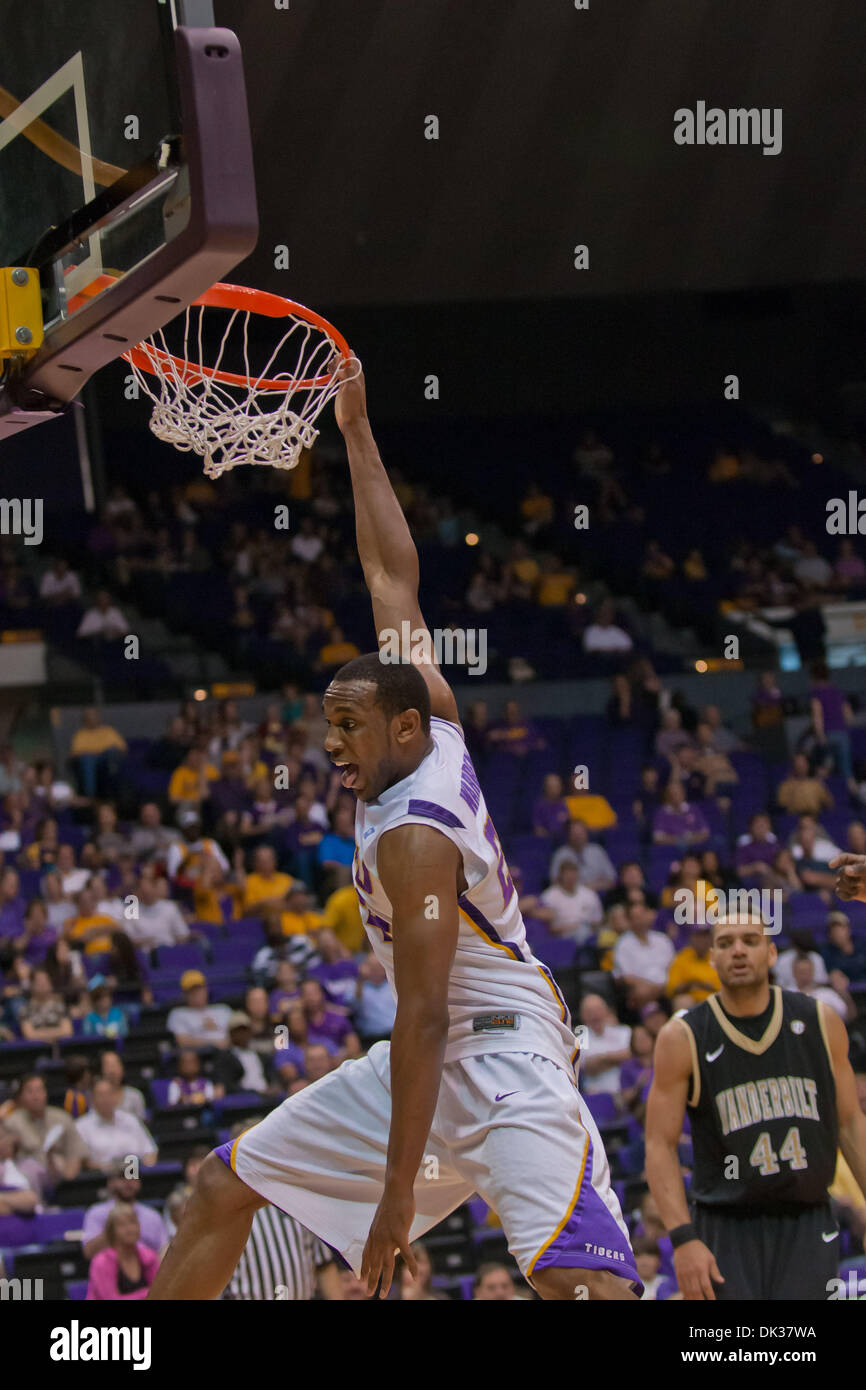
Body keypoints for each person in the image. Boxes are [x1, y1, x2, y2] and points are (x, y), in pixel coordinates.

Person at [149, 361, 641, 1303]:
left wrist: (392, 1200)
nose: (331, 743)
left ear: (403, 724)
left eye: (348, 725)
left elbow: (419, 1020)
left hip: (502, 1059)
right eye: (329, 723)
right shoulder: (434, 717)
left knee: (584, 1291)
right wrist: (358, 432)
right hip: (434, 1054)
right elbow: (390, 575)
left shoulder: (420, 833)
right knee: (222, 1185)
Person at [645, 910, 866, 1300]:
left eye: (750, 940)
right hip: (724, 1225)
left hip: (807, 1218)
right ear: (712, 958)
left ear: (771, 953)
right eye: (726, 943)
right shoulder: (683, 1037)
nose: (738, 951)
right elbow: (659, 1145)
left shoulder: (819, 1021)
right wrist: (682, 1239)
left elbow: (850, 1122)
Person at [4, 1073, 88, 1187]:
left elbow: (75, 1153)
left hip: (61, 1177)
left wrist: (68, 1184)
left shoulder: (62, 1118)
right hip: (27, 1181)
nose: (35, 1096)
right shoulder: (11, 1122)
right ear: (21, 1096)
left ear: (46, 1093)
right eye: (30, 1091)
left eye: (39, 1090)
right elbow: (6, 1160)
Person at [81, 1168, 168, 1261]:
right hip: (109, 1268)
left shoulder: (152, 1215)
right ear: (110, 1182)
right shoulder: (97, 1212)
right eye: (122, 1177)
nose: (128, 1182)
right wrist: (111, 1231)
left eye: (133, 1177)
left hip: (148, 1269)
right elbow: (88, 1252)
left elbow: (164, 1250)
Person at [76, 1078, 158, 1170]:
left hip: (134, 1174)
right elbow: (81, 1161)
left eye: (109, 1094)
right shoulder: (81, 1126)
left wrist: (147, 1170)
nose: (106, 1099)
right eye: (101, 1095)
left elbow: (150, 1151)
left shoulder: (131, 1119)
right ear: (93, 1099)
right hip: (100, 1177)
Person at [86, 1205, 160, 1300]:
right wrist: (146, 1294)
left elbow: (160, 1291)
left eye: (133, 1223)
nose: (130, 1229)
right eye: (122, 1225)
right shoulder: (101, 1262)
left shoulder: (149, 1257)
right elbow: (110, 1298)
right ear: (111, 1232)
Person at [577, 994, 632, 1095]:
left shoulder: (623, 1030)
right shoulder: (580, 1033)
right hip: (595, 1096)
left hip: (624, 1095)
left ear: (607, 1011)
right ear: (582, 1016)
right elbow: (588, 1067)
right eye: (589, 1011)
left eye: (598, 1009)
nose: (594, 1015)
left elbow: (631, 1054)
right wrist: (617, 1058)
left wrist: (601, 1058)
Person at [539, 860, 603, 944]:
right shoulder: (549, 896)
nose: (570, 877)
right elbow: (546, 927)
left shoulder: (589, 895)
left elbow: (598, 922)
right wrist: (570, 928)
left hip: (587, 935)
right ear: (561, 876)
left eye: (573, 874)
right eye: (567, 874)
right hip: (561, 937)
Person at [166, 970, 233, 1049]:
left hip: (230, 1052)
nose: (196, 994)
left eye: (199, 989)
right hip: (200, 1054)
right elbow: (183, 1041)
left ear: (206, 990)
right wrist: (214, 1043)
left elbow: (237, 1032)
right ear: (184, 994)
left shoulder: (223, 1009)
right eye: (192, 991)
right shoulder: (178, 1013)